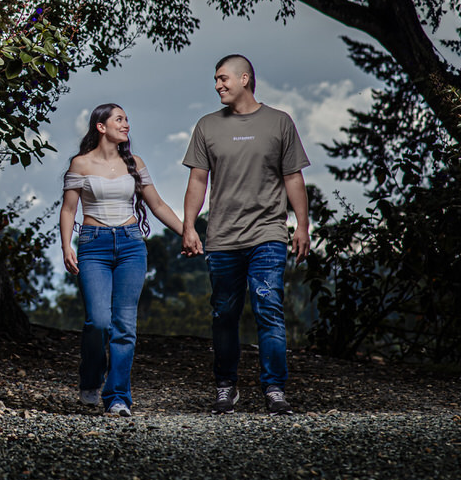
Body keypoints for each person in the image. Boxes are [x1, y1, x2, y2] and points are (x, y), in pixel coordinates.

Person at [180, 54, 311, 415]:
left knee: (268, 307)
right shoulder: (207, 126)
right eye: (216, 80)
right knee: (224, 313)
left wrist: (302, 225)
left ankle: (274, 389)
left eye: (223, 78)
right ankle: (226, 386)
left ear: (245, 78)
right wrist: (189, 226)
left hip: (268, 233)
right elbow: (197, 181)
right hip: (222, 237)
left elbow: (293, 178)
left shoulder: (279, 123)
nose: (218, 85)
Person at [60, 103, 184, 417]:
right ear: (101, 126)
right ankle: (90, 377)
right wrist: (66, 247)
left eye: (127, 119)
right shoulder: (81, 164)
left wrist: (188, 231)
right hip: (93, 246)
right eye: (119, 119)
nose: (126, 124)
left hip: (131, 246)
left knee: (124, 326)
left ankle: (117, 397)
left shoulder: (135, 163)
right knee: (98, 321)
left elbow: (156, 204)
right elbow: (68, 210)